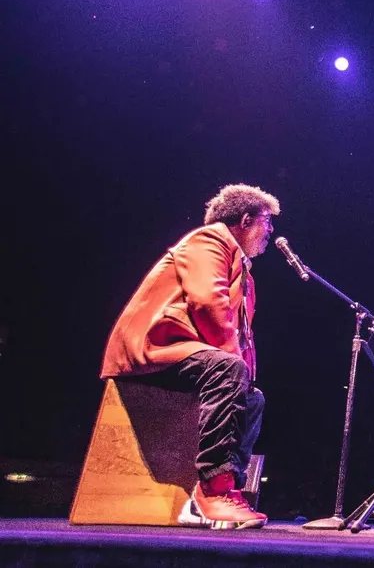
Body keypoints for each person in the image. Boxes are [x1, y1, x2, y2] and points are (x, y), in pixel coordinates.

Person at [100, 184, 279, 529]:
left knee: (253, 399)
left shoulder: (243, 270)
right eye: (267, 222)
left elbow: (241, 335)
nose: (271, 232)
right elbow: (207, 303)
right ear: (245, 220)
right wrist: (234, 368)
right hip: (153, 349)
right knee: (229, 368)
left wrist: (242, 378)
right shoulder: (208, 241)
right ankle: (214, 488)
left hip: (188, 353)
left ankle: (219, 493)